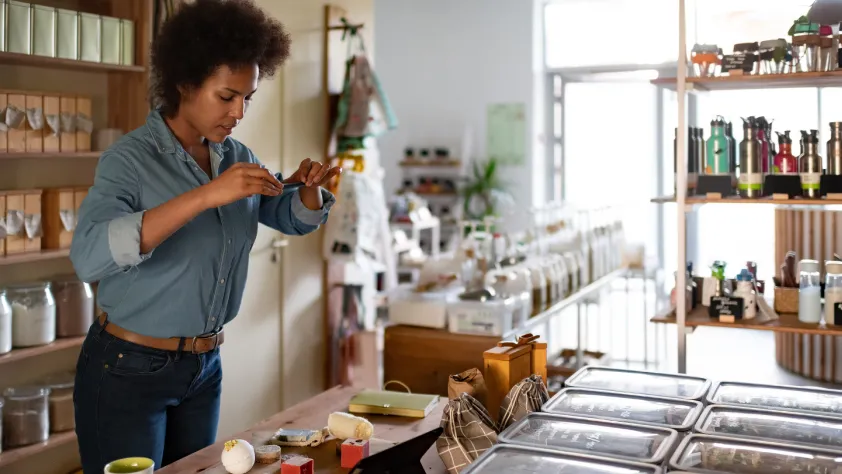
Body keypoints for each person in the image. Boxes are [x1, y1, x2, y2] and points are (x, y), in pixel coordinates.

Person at [68, 0, 340, 471]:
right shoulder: (129, 161)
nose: (239, 111)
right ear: (185, 83)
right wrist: (205, 196)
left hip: (203, 368)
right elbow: (89, 256)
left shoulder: (236, 155)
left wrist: (307, 191)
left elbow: (285, 214)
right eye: (227, 96)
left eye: (248, 97)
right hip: (127, 369)